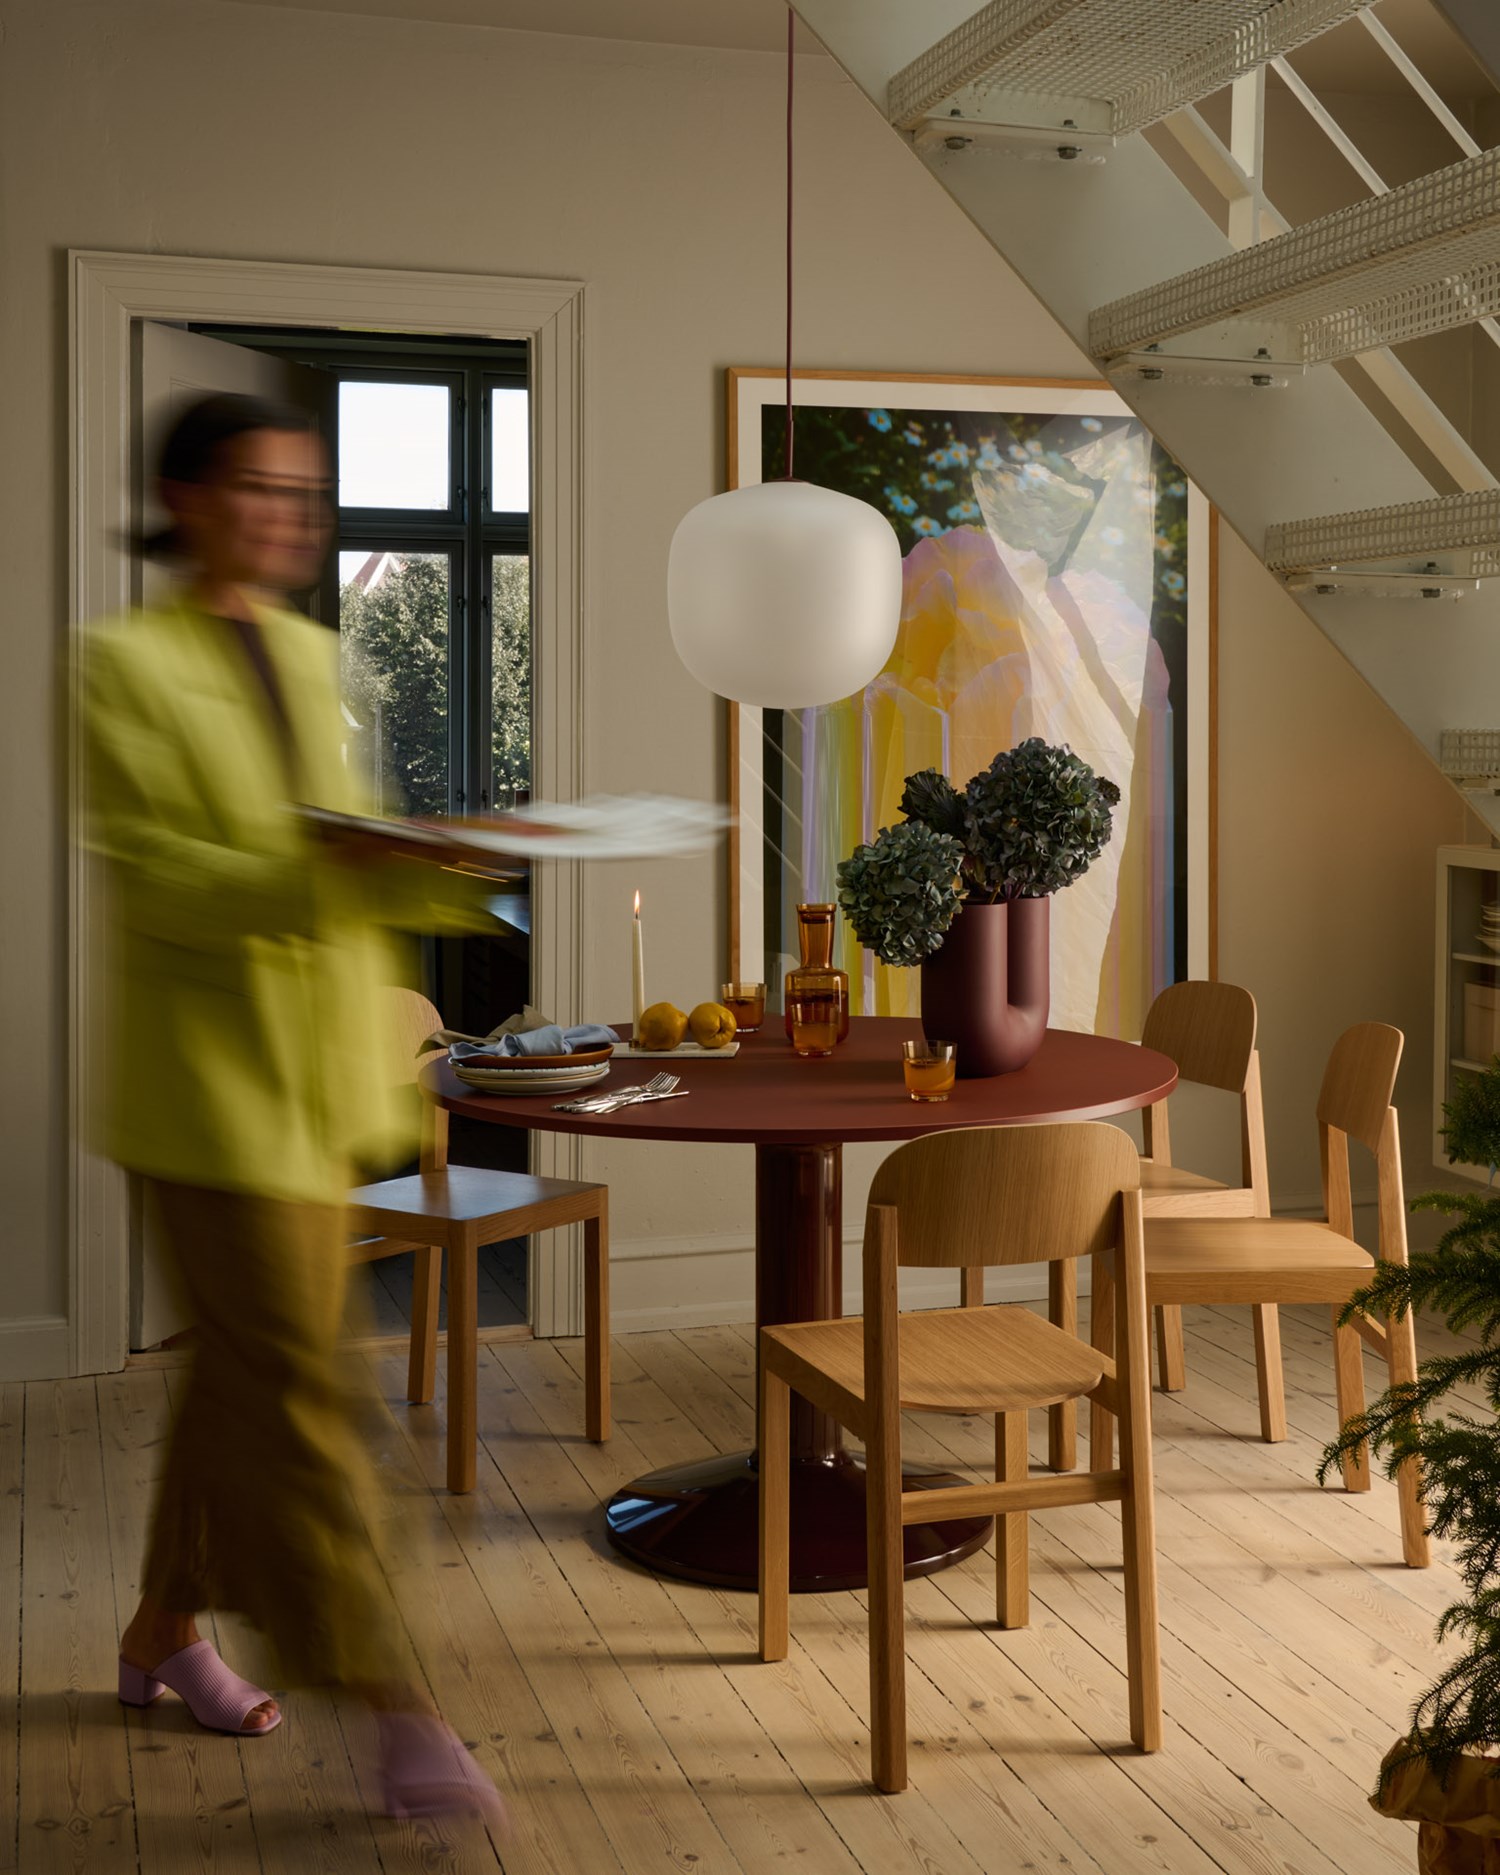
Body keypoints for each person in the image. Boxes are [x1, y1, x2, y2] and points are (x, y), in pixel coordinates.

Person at [78, 393, 504, 1823]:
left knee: (240, 1381)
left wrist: (439, 859)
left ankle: (159, 1634)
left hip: (317, 1087)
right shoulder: (118, 668)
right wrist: (324, 858)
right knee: (311, 1400)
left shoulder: (318, 653)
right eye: (258, 486)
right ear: (183, 496)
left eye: (304, 494)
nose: (286, 515)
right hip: (204, 1100)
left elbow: (338, 868)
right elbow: (163, 877)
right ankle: (396, 1704)